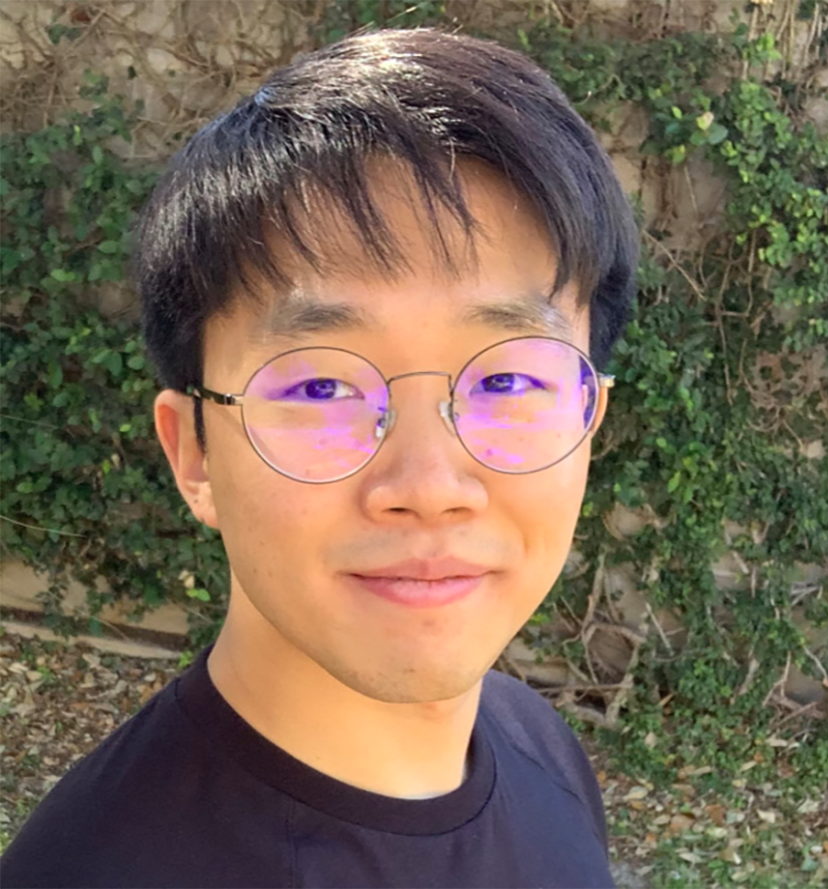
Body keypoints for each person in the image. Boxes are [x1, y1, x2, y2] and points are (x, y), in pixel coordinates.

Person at [0, 27, 638, 888]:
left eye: (512, 377)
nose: (429, 487)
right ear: (194, 452)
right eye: (319, 390)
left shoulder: (540, 745)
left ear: (588, 420)